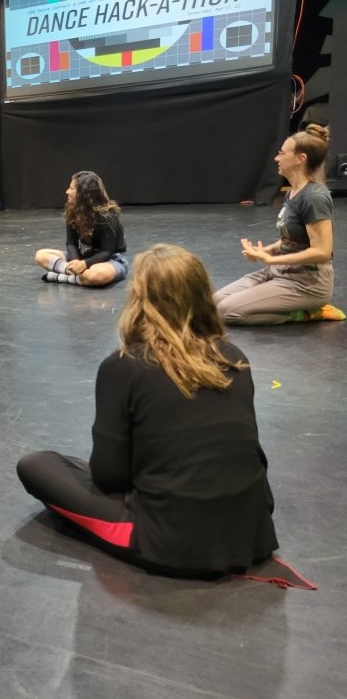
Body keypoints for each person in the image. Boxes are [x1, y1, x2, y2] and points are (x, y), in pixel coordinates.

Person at [17, 244, 279, 578]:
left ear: (140, 301)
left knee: (37, 465)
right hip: (252, 531)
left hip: (169, 543)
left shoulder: (123, 366)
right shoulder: (233, 355)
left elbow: (109, 476)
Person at [214, 124, 344, 325]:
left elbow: (323, 251)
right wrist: (268, 250)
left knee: (227, 312)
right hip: (281, 272)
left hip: (307, 283)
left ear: (300, 159)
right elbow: (292, 238)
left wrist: (269, 259)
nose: (277, 158)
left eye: (282, 153)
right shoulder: (294, 191)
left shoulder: (314, 197)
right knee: (215, 303)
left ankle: (310, 312)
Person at [33, 171, 128, 287]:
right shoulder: (72, 211)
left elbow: (107, 252)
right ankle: (78, 277)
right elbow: (71, 243)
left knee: (96, 275)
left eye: (71, 188)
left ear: (83, 194)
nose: (67, 191)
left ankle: (63, 277)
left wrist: (85, 263)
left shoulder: (107, 217)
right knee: (41, 255)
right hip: (82, 257)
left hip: (109, 260)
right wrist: (76, 262)